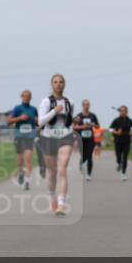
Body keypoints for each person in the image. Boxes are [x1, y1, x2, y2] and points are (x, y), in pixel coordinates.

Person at [38, 74, 75, 216]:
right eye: (55, 82)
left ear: (64, 84)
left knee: (62, 169)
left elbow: (69, 120)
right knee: (52, 172)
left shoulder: (69, 102)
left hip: (65, 136)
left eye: (61, 82)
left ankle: (61, 204)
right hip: (48, 137)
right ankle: (52, 195)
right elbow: (40, 122)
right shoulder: (46, 101)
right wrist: (54, 111)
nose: (58, 84)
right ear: (51, 85)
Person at [7, 90, 38, 191]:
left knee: (28, 160)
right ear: (21, 97)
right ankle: (21, 172)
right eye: (24, 96)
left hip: (30, 137)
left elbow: (38, 122)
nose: (26, 98)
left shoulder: (33, 109)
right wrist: (20, 118)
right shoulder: (17, 108)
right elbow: (9, 121)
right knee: (20, 161)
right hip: (19, 137)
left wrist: (36, 121)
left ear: (31, 97)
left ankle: (27, 182)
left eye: (28, 96)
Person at [109, 105, 132, 181]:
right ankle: (119, 164)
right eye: (121, 111)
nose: (123, 112)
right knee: (118, 158)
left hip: (127, 141)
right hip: (118, 141)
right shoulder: (116, 120)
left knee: (125, 157)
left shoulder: (129, 120)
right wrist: (116, 132)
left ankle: (123, 174)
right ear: (119, 112)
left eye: (124, 111)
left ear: (127, 112)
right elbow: (110, 129)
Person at [73, 99, 99, 180]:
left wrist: (94, 125)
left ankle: (88, 175)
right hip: (81, 139)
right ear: (82, 105)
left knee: (90, 156)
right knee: (83, 155)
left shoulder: (93, 116)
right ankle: (80, 163)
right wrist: (83, 127)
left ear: (89, 105)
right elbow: (74, 127)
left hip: (90, 139)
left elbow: (98, 126)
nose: (86, 106)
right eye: (85, 104)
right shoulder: (78, 116)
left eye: (88, 104)